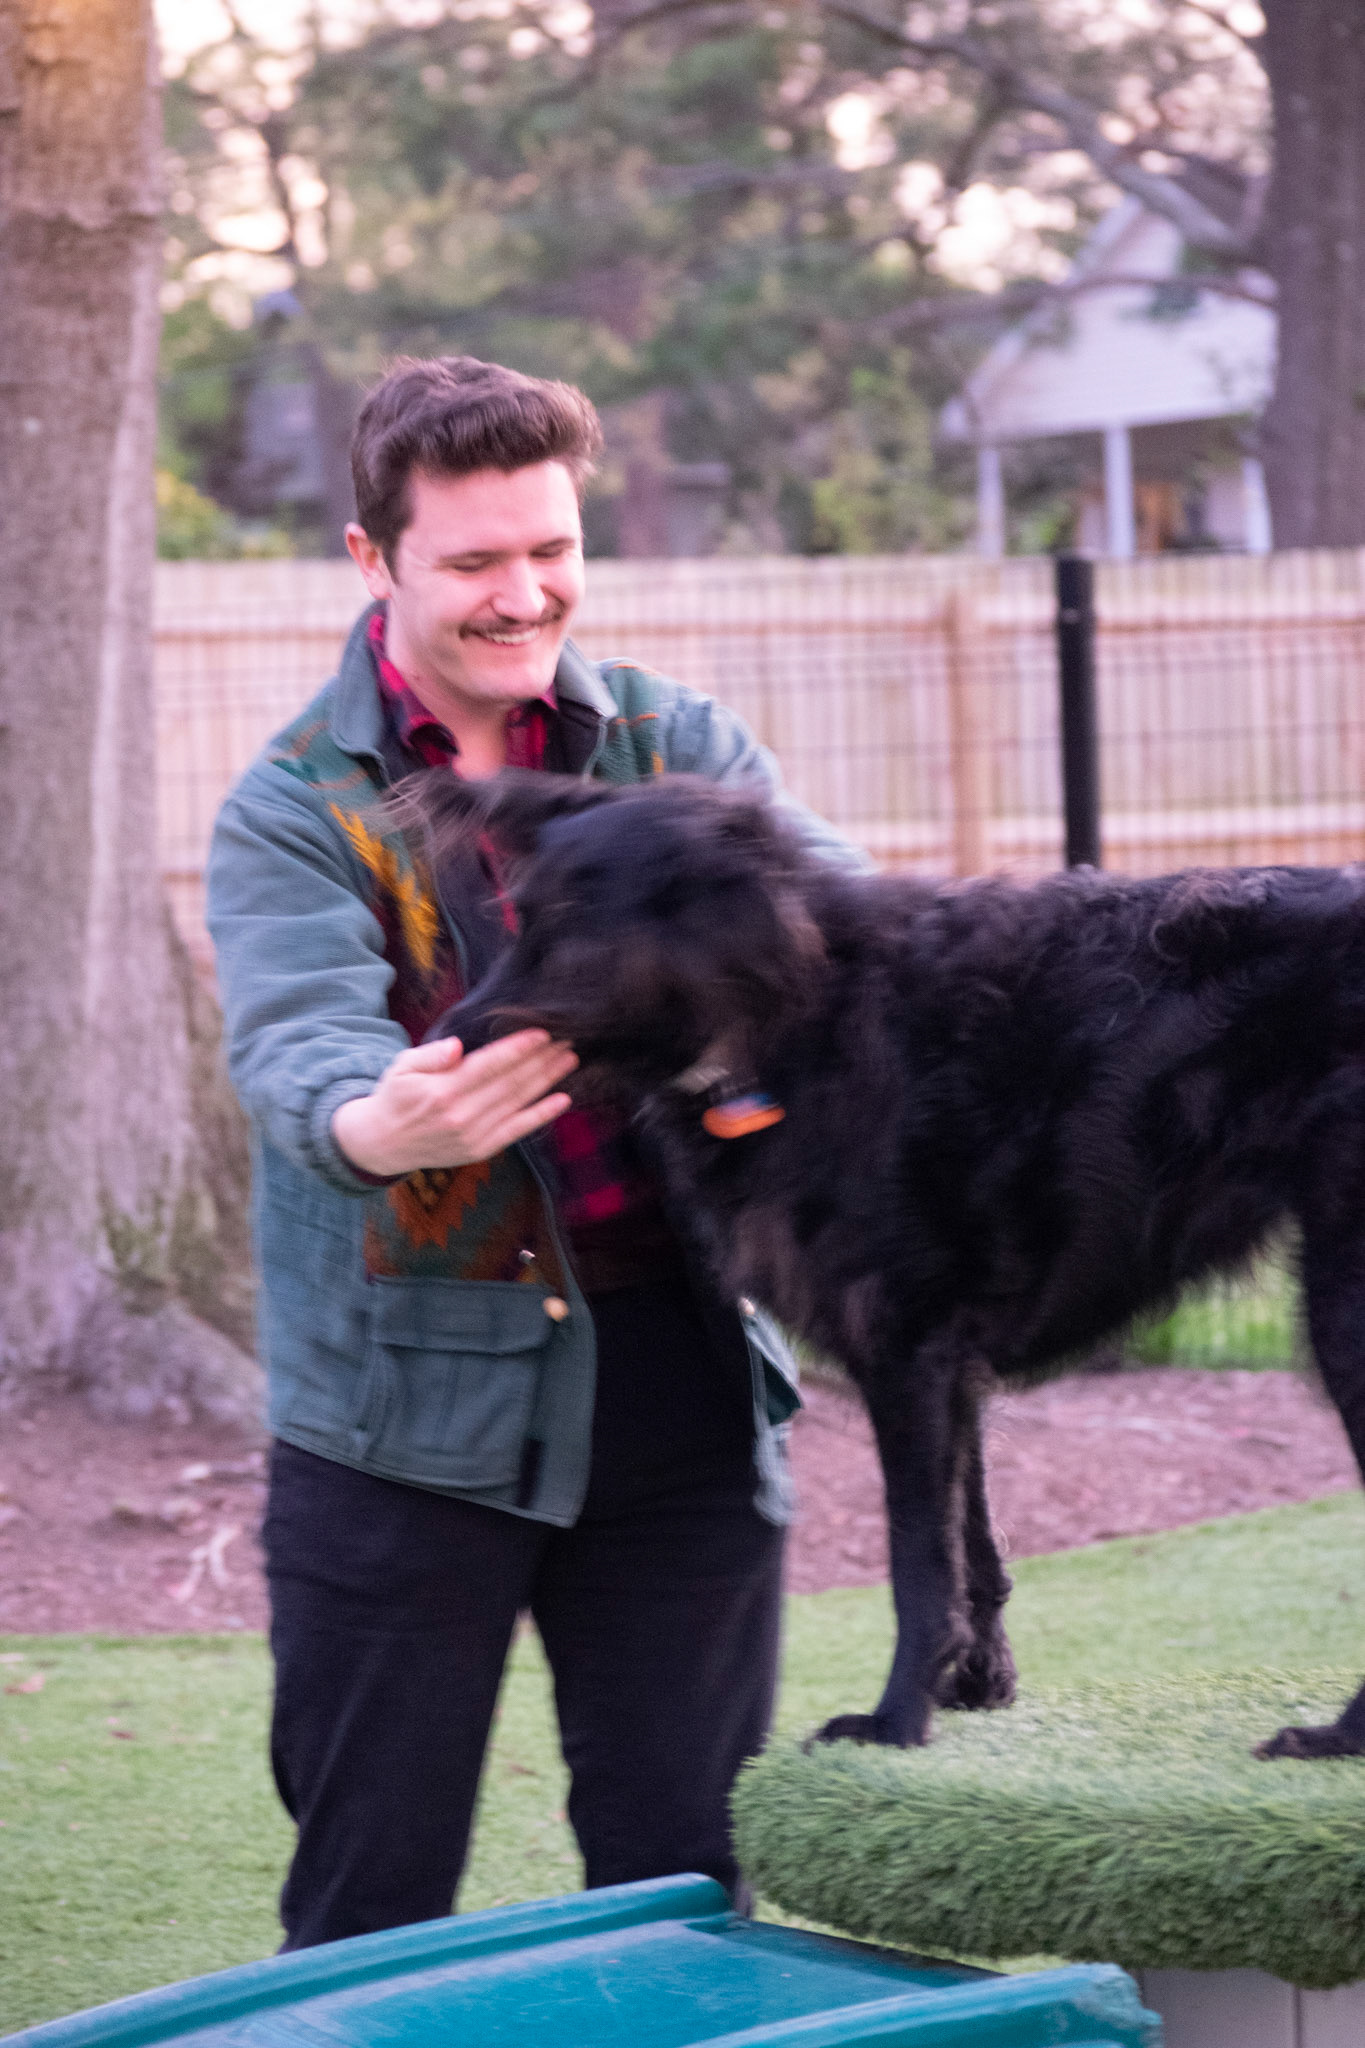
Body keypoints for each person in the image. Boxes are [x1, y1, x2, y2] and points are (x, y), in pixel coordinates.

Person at [206, 355, 861, 1951]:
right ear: (372, 558)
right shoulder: (294, 805)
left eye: (552, 548)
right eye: (476, 561)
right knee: (367, 1911)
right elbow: (297, 1039)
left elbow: (845, 932)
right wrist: (372, 1121)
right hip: (399, 1421)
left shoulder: (679, 742)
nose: (526, 595)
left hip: (684, 1393)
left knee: (685, 1899)